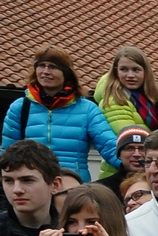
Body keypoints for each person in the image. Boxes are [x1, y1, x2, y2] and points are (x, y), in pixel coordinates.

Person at [2, 47, 120, 181]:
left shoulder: (87, 109)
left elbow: (109, 146)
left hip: (72, 188)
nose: (45, 72)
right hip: (32, 188)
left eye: (52, 67)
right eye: (41, 66)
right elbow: (7, 154)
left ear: (66, 73)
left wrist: (133, 166)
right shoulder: (21, 107)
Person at [92, 47, 158, 176]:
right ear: (116, 72)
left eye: (136, 70)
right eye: (124, 69)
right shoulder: (115, 99)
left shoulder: (145, 99)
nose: (130, 75)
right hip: (122, 173)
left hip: (140, 170)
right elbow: (132, 139)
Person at [97, 124, 151, 199]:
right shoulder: (102, 189)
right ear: (119, 154)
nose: (136, 154)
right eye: (129, 148)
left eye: (142, 149)